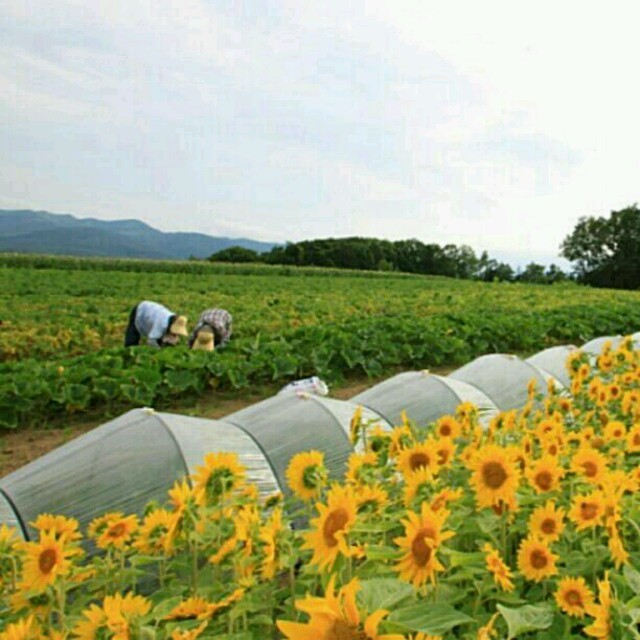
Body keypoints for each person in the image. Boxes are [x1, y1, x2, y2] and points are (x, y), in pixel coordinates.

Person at [124, 300, 188, 348]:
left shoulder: (175, 319)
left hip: (153, 312)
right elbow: (151, 340)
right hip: (141, 310)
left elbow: (171, 337)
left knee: (163, 340)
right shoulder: (161, 324)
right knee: (133, 337)